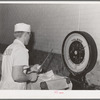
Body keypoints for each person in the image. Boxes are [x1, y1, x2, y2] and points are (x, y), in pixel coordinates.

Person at [0, 23, 40, 90]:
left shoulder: (9, 48)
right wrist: (30, 77)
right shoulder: (21, 50)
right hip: (14, 90)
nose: (29, 38)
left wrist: (30, 68)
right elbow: (17, 76)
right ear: (25, 34)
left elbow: (7, 69)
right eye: (29, 35)